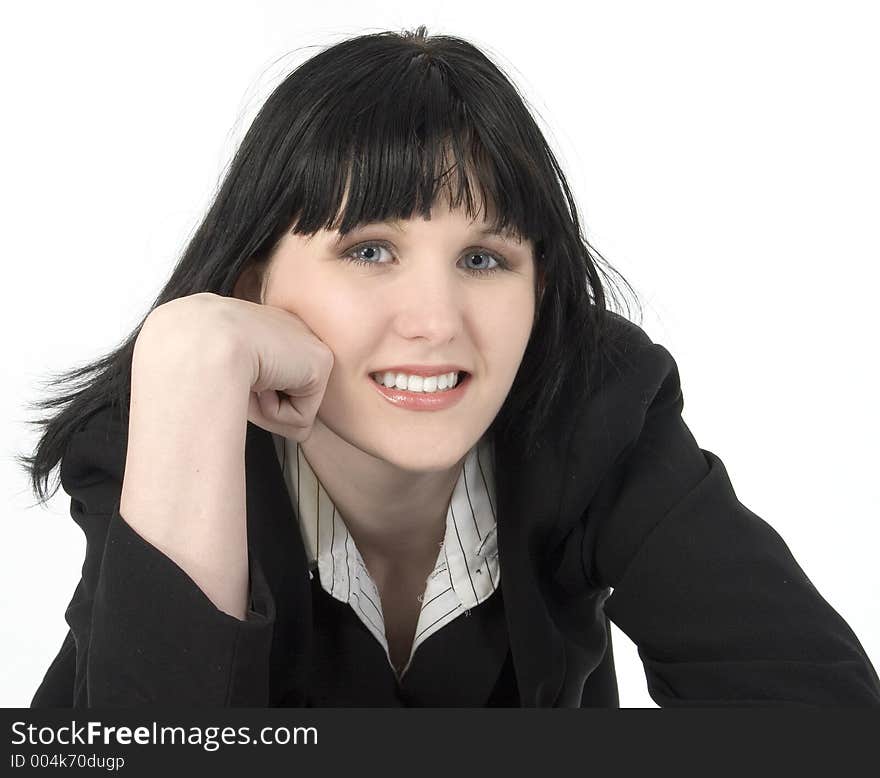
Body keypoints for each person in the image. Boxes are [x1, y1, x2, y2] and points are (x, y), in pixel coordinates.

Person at [19, 26, 880, 707]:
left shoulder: (597, 406)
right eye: (368, 251)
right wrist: (188, 356)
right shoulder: (164, 431)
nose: (435, 324)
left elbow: (819, 715)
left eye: (483, 260)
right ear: (255, 282)